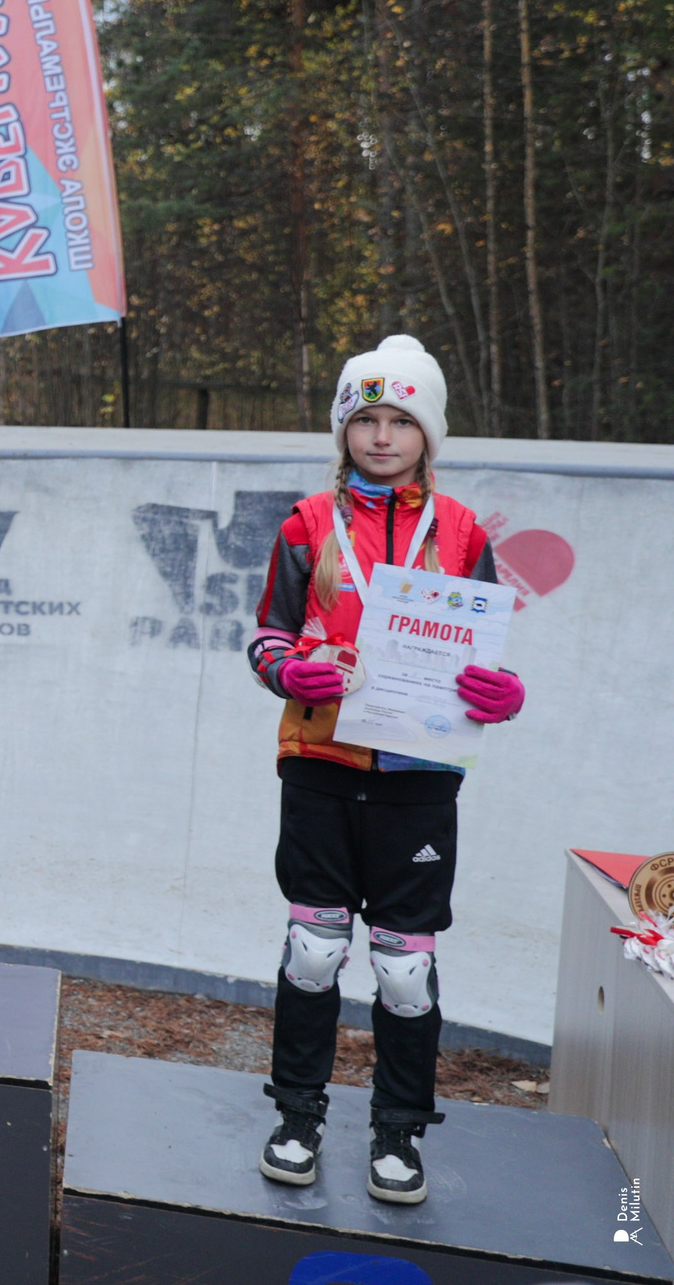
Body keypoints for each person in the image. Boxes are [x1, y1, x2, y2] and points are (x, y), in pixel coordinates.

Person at [246, 334, 525, 1206]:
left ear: (426, 433)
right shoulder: (306, 522)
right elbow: (267, 634)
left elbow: (484, 653)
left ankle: (398, 1129)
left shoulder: (464, 530)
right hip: (321, 765)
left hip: (420, 777)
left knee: (405, 968)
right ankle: (298, 1116)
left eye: (401, 420)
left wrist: (501, 692)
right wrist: (288, 671)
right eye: (365, 418)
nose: (380, 435)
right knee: (315, 949)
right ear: (344, 429)